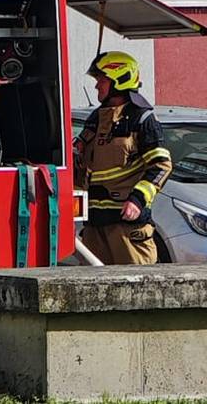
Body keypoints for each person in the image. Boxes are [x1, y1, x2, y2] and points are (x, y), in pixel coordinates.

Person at [72, 52, 172, 266]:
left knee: (137, 292)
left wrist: (137, 200)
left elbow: (161, 166)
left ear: (120, 80)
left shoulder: (142, 118)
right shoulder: (96, 118)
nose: (97, 86)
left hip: (127, 229)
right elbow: (82, 163)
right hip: (94, 227)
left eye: (102, 80)